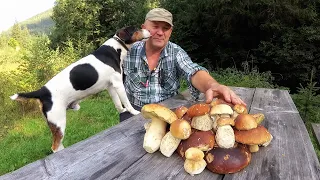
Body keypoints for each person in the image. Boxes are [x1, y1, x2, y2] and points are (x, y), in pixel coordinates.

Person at [120, 8, 246, 121]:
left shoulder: (176, 52)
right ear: (143, 28)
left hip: (167, 113)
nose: (160, 32)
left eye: (165, 28)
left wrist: (212, 85)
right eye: (155, 26)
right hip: (132, 112)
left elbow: (192, 71)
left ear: (171, 31)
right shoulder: (126, 50)